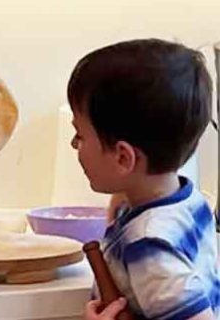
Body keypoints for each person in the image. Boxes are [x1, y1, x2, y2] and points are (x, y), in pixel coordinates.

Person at [67, 39, 219, 320]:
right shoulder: (188, 199)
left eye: (80, 135)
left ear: (124, 158)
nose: (74, 145)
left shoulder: (150, 246)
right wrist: (124, 197)